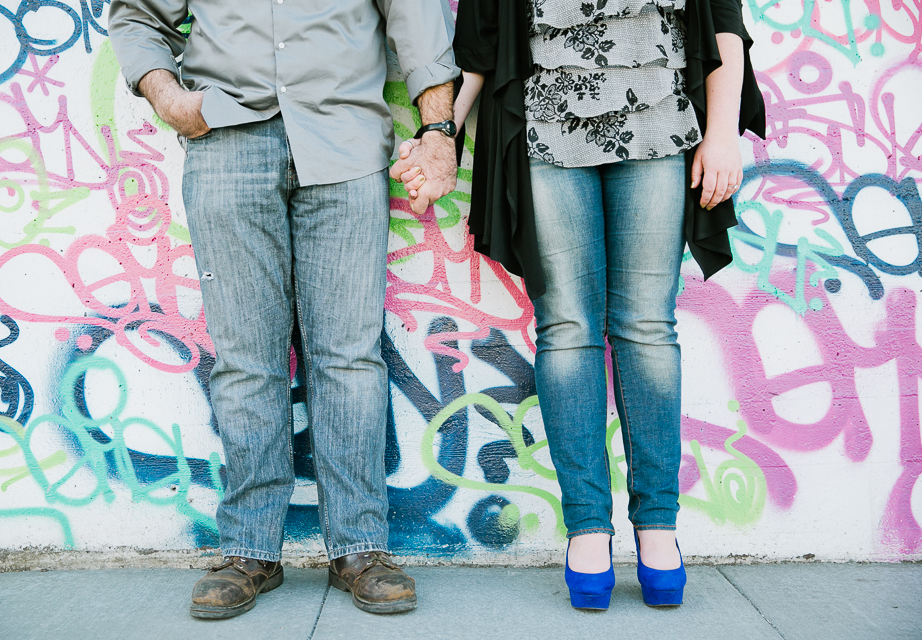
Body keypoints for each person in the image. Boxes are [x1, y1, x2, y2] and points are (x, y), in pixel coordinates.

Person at [393, 0, 765, 610]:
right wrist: (442, 136)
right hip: (547, 129)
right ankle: (587, 528)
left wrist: (723, 133)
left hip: (660, 125)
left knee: (646, 327)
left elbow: (723, 19)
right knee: (566, 328)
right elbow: (483, 38)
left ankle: (658, 528)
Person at [108, 0, 460, 618]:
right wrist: (167, 98)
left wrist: (437, 130)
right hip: (224, 143)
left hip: (346, 144)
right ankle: (249, 549)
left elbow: (417, 16)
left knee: (349, 356)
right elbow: (138, 15)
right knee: (246, 359)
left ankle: (361, 548)